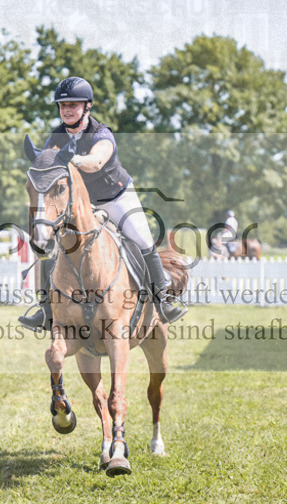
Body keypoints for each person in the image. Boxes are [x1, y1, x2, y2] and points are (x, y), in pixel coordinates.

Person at [19, 76, 187, 330]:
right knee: (51, 246)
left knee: (142, 240)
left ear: (87, 107)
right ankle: (45, 311)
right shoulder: (56, 136)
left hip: (117, 198)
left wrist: (70, 159)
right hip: (82, 205)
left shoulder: (102, 134)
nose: (66, 110)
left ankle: (163, 302)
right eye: (62, 106)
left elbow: (96, 162)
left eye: (73, 105)